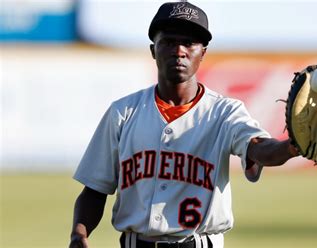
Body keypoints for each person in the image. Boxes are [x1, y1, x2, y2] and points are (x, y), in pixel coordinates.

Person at [69, 1, 298, 248]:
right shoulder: (123, 113)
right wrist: (79, 235)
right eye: (168, 42)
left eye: (189, 43)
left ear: (203, 52)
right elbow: (94, 188)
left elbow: (260, 149)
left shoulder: (225, 113)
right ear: (153, 50)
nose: (179, 51)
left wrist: (292, 147)